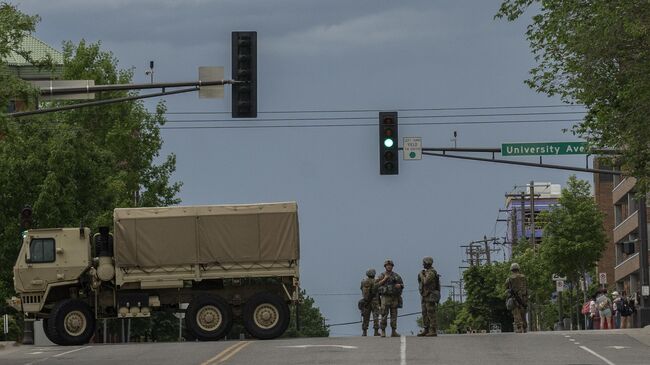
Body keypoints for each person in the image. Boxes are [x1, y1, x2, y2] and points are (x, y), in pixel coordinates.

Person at [377, 259, 404, 337]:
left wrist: (400, 286)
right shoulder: (381, 275)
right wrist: (384, 279)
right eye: (387, 265)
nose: (389, 267)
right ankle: (383, 331)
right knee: (384, 314)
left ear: (392, 266)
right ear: (385, 266)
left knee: (394, 315)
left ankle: (393, 331)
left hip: (394, 297)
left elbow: (402, 284)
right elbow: (376, 285)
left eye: (390, 265)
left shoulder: (396, 275)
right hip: (385, 297)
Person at [417, 256, 440, 337]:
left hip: (430, 295)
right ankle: (426, 329)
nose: (423, 264)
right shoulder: (426, 272)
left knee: (431, 312)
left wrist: (421, 275)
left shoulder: (431, 272)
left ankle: (433, 330)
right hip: (424, 294)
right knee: (424, 313)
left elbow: (425, 281)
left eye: (424, 263)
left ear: (428, 263)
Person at [505, 262, 528, 333]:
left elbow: (506, 286)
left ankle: (519, 328)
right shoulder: (524, 277)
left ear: (511, 270)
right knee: (523, 312)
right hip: (524, 298)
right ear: (518, 269)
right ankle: (524, 327)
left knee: (516, 313)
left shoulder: (509, 279)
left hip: (515, 298)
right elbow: (526, 287)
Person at [359, 268, 380, 336]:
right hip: (375, 301)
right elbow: (379, 291)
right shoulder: (376, 281)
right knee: (375, 316)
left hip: (366, 301)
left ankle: (364, 331)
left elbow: (361, 289)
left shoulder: (363, 281)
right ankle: (376, 331)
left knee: (365, 316)